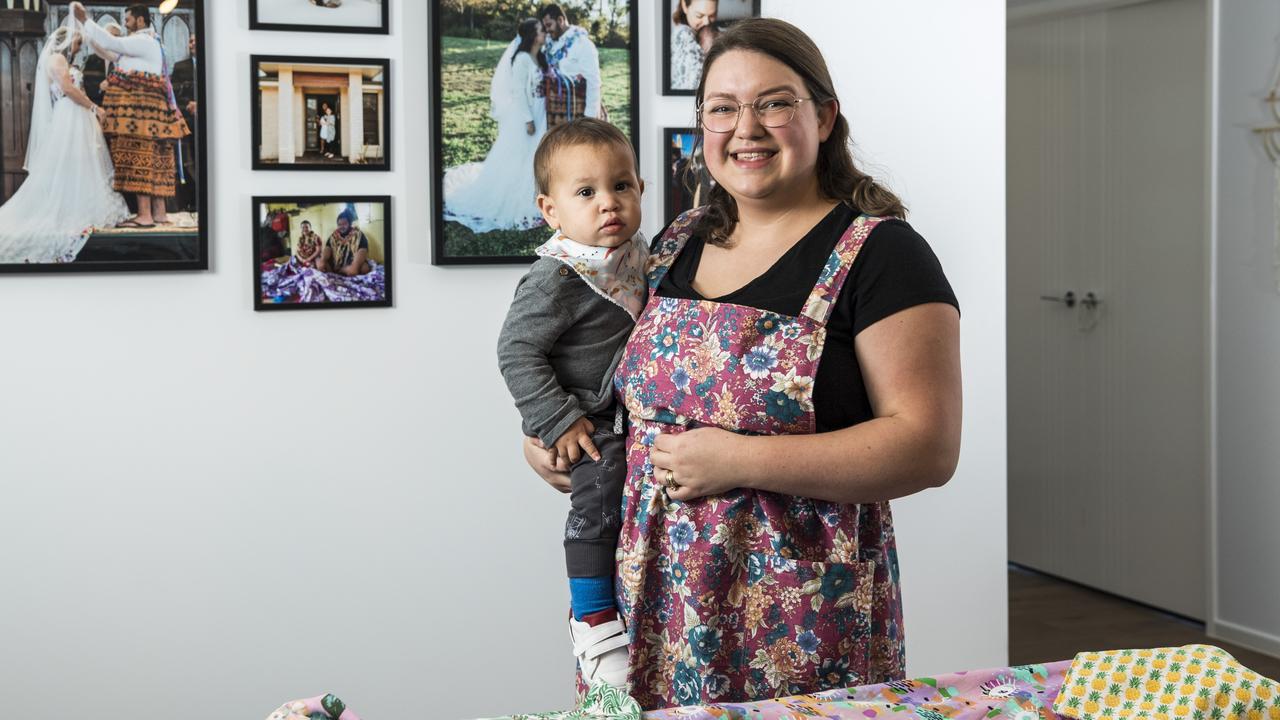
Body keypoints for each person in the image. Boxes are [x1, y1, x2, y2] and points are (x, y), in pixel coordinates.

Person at [523, 18, 962, 709]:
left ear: (823, 115)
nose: (745, 129)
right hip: (646, 604)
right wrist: (554, 433)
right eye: (722, 108)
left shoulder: (880, 254)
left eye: (774, 103)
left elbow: (927, 447)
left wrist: (739, 461)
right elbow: (619, 390)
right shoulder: (672, 244)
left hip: (799, 617)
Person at [499, 118, 647, 691]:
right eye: (586, 193)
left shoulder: (634, 255)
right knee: (599, 494)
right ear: (550, 209)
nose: (608, 203)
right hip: (587, 415)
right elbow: (515, 350)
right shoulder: (557, 276)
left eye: (622, 186)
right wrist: (557, 420)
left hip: (623, 407)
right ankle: (592, 620)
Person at [0, 20, 128, 264]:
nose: (79, 47)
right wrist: (94, 108)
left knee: (81, 163)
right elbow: (68, 89)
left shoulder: (63, 60)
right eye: (78, 43)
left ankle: (80, 204)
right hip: (69, 117)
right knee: (69, 163)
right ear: (68, 42)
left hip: (75, 115)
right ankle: (68, 210)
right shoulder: (57, 60)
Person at [72, 2, 190, 229]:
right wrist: (86, 32)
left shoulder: (143, 41)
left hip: (139, 115)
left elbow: (112, 43)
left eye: (128, 20)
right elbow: (106, 50)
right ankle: (159, 214)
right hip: (151, 114)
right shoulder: (148, 43)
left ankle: (144, 216)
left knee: (139, 157)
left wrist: (86, 20)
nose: (126, 24)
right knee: (156, 160)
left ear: (140, 20)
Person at [443, 18, 547, 234]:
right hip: (528, 115)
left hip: (542, 110)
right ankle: (524, 200)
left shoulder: (540, 56)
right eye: (540, 30)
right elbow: (518, 92)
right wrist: (528, 119)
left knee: (538, 155)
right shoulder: (521, 59)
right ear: (531, 35)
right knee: (524, 157)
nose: (544, 33)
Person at [539, 4, 601, 127]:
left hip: (577, 111)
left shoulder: (583, 44)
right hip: (554, 113)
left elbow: (593, 82)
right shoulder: (549, 44)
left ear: (560, 20)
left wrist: (589, 119)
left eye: (549, 25)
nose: (547, 30)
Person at [171, 33, 198, 214]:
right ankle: (188, 203)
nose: (192, 43)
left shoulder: (215, 62)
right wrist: (189, 104)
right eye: (190, 40)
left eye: (196, 40)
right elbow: (172, 95)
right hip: (187, 122)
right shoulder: (180, 67)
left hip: (208, 125)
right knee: (187, 163)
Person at [669, 0, 717, 91]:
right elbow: (695, 86)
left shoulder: (709, 31)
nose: (707, 22)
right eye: (699, 15)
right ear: (684, 6)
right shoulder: (683, 35)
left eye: (712, 15)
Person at [319, 208, 370, 276]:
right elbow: (328, 248)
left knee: (365, 268)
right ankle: (340, 271)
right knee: (321, 264)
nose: (341, 226)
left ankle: (344, 270)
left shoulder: (357, 234)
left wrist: (355, 266)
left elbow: (363, 249)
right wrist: (323, 260)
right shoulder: (334, 236)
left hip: (352, 263)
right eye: (339, 224)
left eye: (344, 224)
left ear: (350, 223)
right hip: (335, 264)